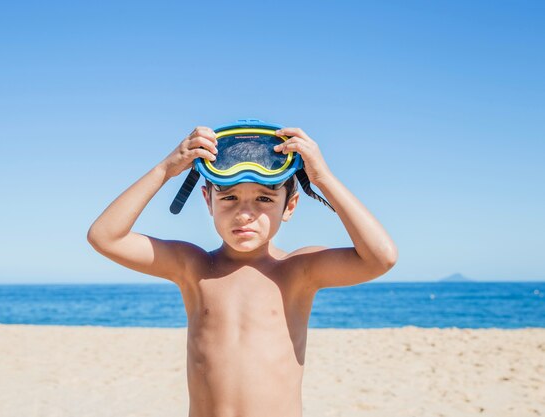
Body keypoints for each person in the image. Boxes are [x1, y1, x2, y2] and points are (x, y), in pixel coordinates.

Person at [87, 124, 398, 417]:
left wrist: (323, 178)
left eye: (264, 199)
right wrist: (164, 170)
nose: (245, 214)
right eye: (229, 197)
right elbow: (105, 236)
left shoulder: (297, 270)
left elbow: (380, 258)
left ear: (289, 207)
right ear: (208, 201)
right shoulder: (194, 267)